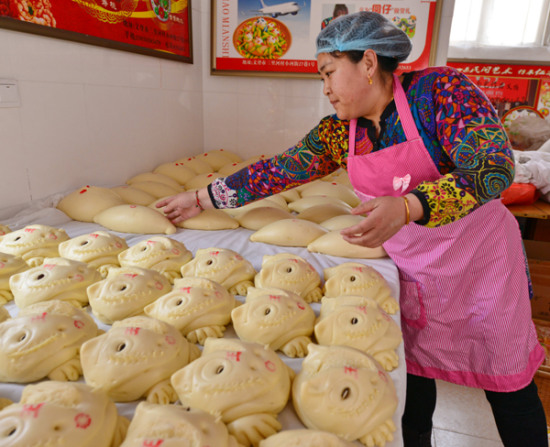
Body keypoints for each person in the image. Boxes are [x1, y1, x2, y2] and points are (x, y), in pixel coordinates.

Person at [157, 11, 548, 447]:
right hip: (415, 268)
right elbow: (278, 171)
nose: (324, 88)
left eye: (328, 72)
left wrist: (408, 205)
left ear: (366, 62)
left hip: (481, 263)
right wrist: (199, 199)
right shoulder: (341, 133)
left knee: (506, 377)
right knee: (414, 372)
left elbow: (492, 168)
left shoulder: (438, 92)